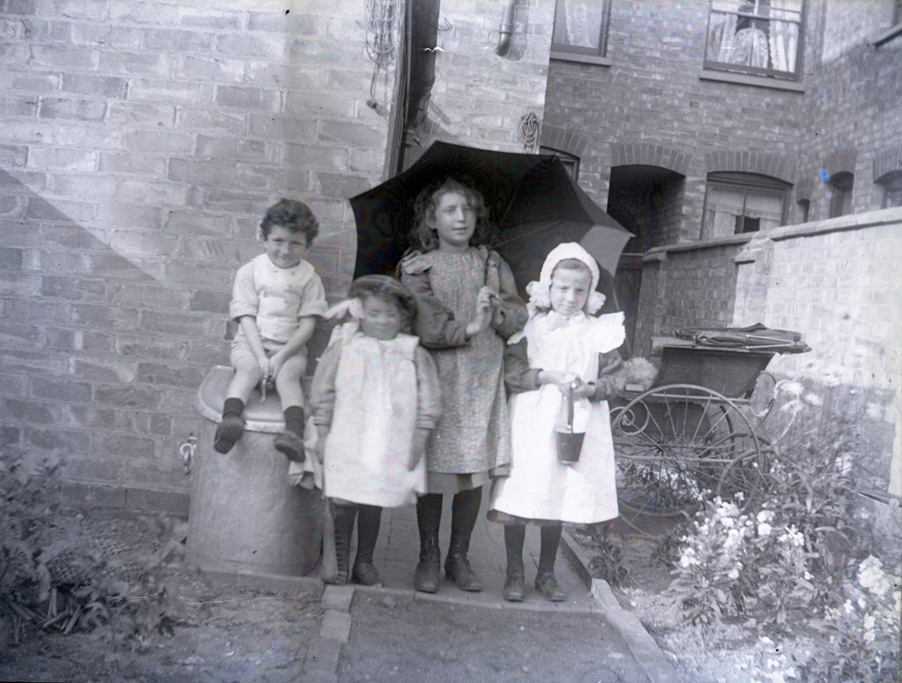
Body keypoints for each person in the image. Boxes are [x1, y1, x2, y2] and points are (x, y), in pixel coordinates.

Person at [399, 177, 528, 594]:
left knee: (472, 467)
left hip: (482, 376)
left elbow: (518, 317)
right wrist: (471, 325)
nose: (460, 218)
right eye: (450, 210)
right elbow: (426, 325)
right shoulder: (418, 266)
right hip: (438, 374)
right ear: (431, 219)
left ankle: (458, 556)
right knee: (436, 468)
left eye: (468, 210)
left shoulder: (491, 262)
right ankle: (428, 554)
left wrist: (498, 311)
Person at [488, 242, 626, 602]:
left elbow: (616, 378)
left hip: (575, 422)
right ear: (547, 287)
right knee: (522, 493)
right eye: (562, 288)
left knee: (558, 493)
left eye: (580, 290)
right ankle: (514, 571)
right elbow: (511, 372)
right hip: (531, 420)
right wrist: (545, 376)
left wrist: (590, 388)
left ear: (590, 292)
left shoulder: (597, 331)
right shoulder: (531, 327)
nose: (570, 297)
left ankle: (546, 572)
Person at [309, 275, 442, 586]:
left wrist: (421, 435)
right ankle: (339, 560)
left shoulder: (412, 352)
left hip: (388, 441)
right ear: (360, 314)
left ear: (403, 317)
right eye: (374, 313)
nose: (383, 321)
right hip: (348, 437)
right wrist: (323, 432)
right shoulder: (346, 347)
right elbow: (323, 390)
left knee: (374, 496)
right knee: (344, 495)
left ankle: (364, 561)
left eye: (391, 314)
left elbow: (430, 398)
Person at [213, 199, 327, 462]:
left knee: (289, 378)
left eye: (295, 243)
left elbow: (308, 324)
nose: (285, 250)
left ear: (307, 245)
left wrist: (282, 356)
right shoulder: (251, 271)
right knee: (248, 369)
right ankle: (230, 421)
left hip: (290, 348)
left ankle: (293, 434)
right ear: (263, 238)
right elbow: (246, 317)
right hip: (251, 344)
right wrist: (261, 356)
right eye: (278, 241)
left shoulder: (310, 279)